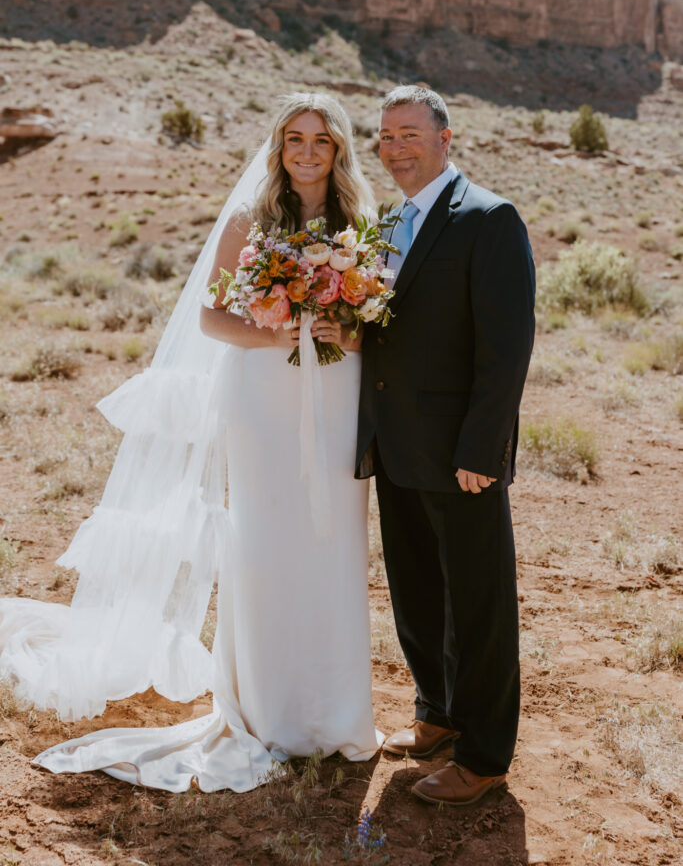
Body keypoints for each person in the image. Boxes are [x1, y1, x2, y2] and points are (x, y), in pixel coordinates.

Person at [0, 93, 380, 792]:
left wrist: (342, 331)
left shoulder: (359, 223)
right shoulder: (250, 220)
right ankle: (265, 711)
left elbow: (373, 321)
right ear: (277, 147)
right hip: (263, 398)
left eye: (319, 141)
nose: (305, 151)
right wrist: (278, 331)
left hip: (336, 393)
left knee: (333, 542)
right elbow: (211, 319)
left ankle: (335, 713)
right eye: (293, 138)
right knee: (266, 544)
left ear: (338, 151)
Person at [356, 85, 535, 807]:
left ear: (444, 137)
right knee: (417, 591)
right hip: (395, 445)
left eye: (408, 133)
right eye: (385, 136)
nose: (395, 147)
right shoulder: (389, 220)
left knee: (477, 600)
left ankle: (484, 753)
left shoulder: (488, 218)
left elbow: (506, 348)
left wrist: (480, 450)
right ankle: (435, 716)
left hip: (459, 454)